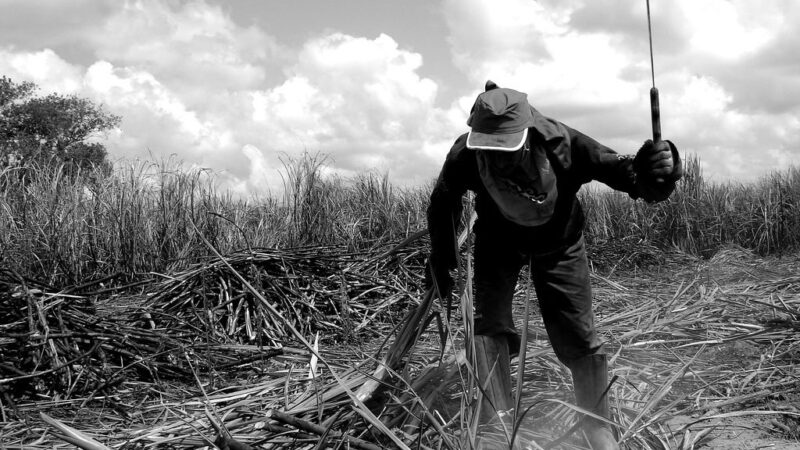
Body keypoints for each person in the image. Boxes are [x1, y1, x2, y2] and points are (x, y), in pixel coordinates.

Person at [425, 81, 682, 449]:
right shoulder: (466, 154)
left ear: (527, 134)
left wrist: (659, 166)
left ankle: (596, 424)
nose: (499, 159)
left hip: (559, 241)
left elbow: (632, 177)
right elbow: (442, 205)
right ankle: (497, 423)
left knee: (578, 331)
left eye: (507, 149)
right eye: (490, 149)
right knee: (487, 326)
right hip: (498, 241)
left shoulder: (565, 145)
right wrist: (442, 260)